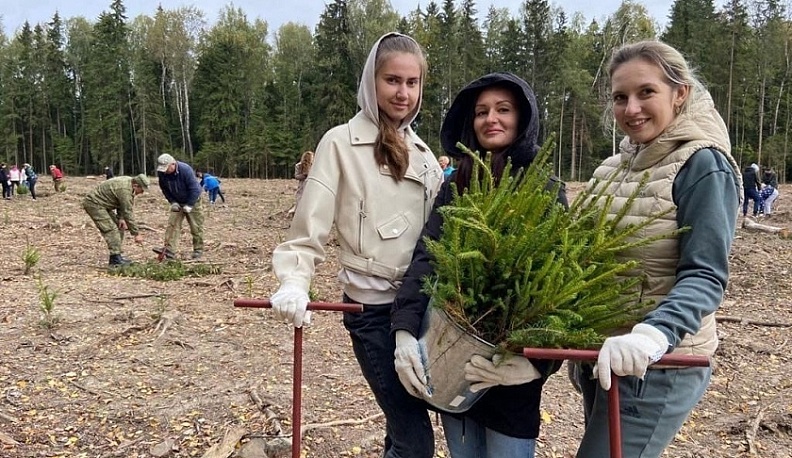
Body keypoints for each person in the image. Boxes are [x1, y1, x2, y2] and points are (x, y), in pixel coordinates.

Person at [270, 32, 443, 458]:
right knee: (414, 440)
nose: (403, 93)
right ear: (371, 80)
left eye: (412, 82)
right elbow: (308, 228)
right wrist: (294, 281)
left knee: (402, 421)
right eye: (392, 80)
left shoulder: (422, 153)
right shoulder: (340, 144)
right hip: (374, 311)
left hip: (423, 309)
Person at [570, 40, 741, 458]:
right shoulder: (612, 169)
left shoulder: (702, 165)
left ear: (679, 93)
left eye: (646, 92)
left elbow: (705, 276)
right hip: (603, 357)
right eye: (620, 97)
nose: (632, 109)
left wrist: (651, 336)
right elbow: (575, 256)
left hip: (660, 363)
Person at [391, 72, 568, 457]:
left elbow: (560, 280)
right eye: (481, 111)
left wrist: (540, 365)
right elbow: (428, 254)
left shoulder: (545, 188)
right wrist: (404, 329)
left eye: (503, 110)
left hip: (510, 371)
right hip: (453, 360)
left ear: (523, 119)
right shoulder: (458, 184)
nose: (491, 119)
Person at [82, 174, 149, 266]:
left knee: (119, 226)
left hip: (104, 204)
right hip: (94, 204)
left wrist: (121, 218)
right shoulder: (124, 190)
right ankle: (114, 260)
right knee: (111, 230)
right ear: (136, 185)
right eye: (141, 190)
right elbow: (128, 212)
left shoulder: (129, 184)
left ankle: (118, 255)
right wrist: (136, 234)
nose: (142, 193)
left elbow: (122, 204)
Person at [155, 153, 204, 260]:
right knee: (172, 225)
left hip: (193, 200)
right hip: (177, 201)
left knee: (196, 226)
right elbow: (165, 189)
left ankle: (198, 249)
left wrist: (190, 205)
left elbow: (195, 189)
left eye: (167, 168)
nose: (165, 171)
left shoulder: (185, 170)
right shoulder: (162, 173)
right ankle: (170, 250)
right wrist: (172, 202)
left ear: (173, 164)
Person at [288, 151, 314, 216]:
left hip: (311, 185)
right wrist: (304, 175)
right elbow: (296, 176)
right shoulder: (299, 165)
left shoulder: (314, 165)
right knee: (300, 198)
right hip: (302, 185)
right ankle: (298, 213)